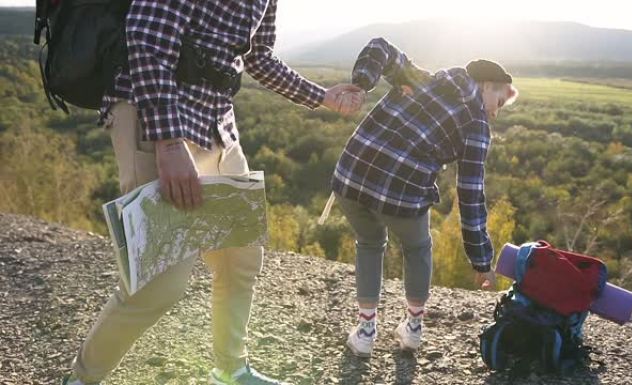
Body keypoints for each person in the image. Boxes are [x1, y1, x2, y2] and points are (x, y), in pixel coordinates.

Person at [62, 1, 362, 385]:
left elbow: (259, 56)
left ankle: (231, 370)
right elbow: (147, 34)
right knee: (159, 282)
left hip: (217, 119)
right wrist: (169, 143)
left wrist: (322, 96)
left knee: (240, 257)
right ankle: (81, 380)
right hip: (158, 115)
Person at [330, 37, 518, 357]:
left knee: (369, 244)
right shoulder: (476, 124)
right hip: (400, 193)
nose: (495, 114)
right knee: (417, 248)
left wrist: (361, 84)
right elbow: (471, 195)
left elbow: (380, 47)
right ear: (487, 86)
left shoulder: (422, 78)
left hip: (352, 174)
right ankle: (413, 329)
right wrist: (481, 259)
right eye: (499, 102)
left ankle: (364, 332)